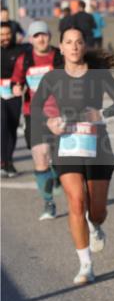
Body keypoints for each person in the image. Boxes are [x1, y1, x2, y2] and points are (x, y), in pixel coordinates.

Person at [31, 28, 114, 285]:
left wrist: (101, 115)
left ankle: (95, 225)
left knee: (97, 211)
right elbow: (37, 107)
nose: (74, 47)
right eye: (68, 43)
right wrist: (50, 121)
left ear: (84, 46)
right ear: (60, 48)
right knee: (76, 202)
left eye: (79, 42)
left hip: (98, 146)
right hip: (67, 144)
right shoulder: (52, 78)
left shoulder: (98, 76)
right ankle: (86, 265)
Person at [11, 21, 61, 219]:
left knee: (58, 157)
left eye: (44, 34)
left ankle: (57, 172)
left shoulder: (59, 56)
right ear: (31, 39)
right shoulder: (24, 60)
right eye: (36, 35)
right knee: (40, 156)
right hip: (34, 113)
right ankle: (48, 203)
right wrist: (17, 88)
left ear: (49, 35)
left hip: (60, 113)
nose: (41, 39)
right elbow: (17, 81)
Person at [1, 22, 27, 176]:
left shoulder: (20, 51)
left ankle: (9, 161)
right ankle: (2, 161)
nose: (4, 37)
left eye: (7, 34)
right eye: (1, 34)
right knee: (2, 123)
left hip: (13, 93)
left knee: (12, 126)